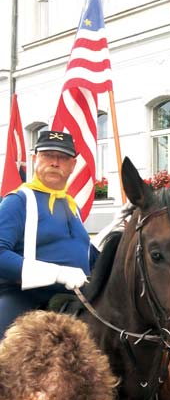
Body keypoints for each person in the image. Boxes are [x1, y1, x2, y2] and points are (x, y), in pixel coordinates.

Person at [0, 130, 98, 340]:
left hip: (75, 300)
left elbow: (88, 255)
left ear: (72, 165)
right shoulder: (18, 201)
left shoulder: (72, 206)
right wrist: (57, 273)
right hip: (25, 299)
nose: (55, 162)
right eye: (48, 155)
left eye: (62, 157)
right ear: (35, 159)